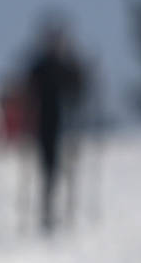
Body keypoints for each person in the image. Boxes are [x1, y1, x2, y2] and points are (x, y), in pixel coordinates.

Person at [18, 14, 92, 234]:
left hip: (67, 123)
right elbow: (26, 89)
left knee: (64, 169)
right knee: (48, 170)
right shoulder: (39, 66)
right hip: (43, 124)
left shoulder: (66, 65)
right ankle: (47, 212)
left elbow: (79, 89)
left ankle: (64, 211)